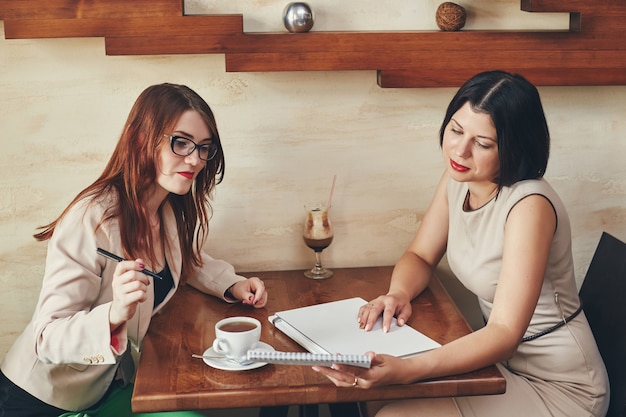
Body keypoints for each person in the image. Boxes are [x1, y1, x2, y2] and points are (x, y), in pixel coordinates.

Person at [312, 70, 610, 417]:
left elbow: (504, 333)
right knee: (374, 397)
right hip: (503, 369)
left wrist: (409, 369)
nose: (460, 150)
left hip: (559, 387)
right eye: (455, 130)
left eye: (482, 144)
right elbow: (420, 255)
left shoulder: (530, 206)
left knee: (394, 411)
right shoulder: (460, 178)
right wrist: (398, 294)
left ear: (514, 147)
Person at [0, 83, 268, 417]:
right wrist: (114, 314)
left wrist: (232, 283)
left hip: (112, 387)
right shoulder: (91, 219)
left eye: (203, 148)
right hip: (44, 402)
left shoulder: (166, 208)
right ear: (141, 138)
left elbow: (184, 262)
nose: (195, 159)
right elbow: (47, 338)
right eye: (180, 143)